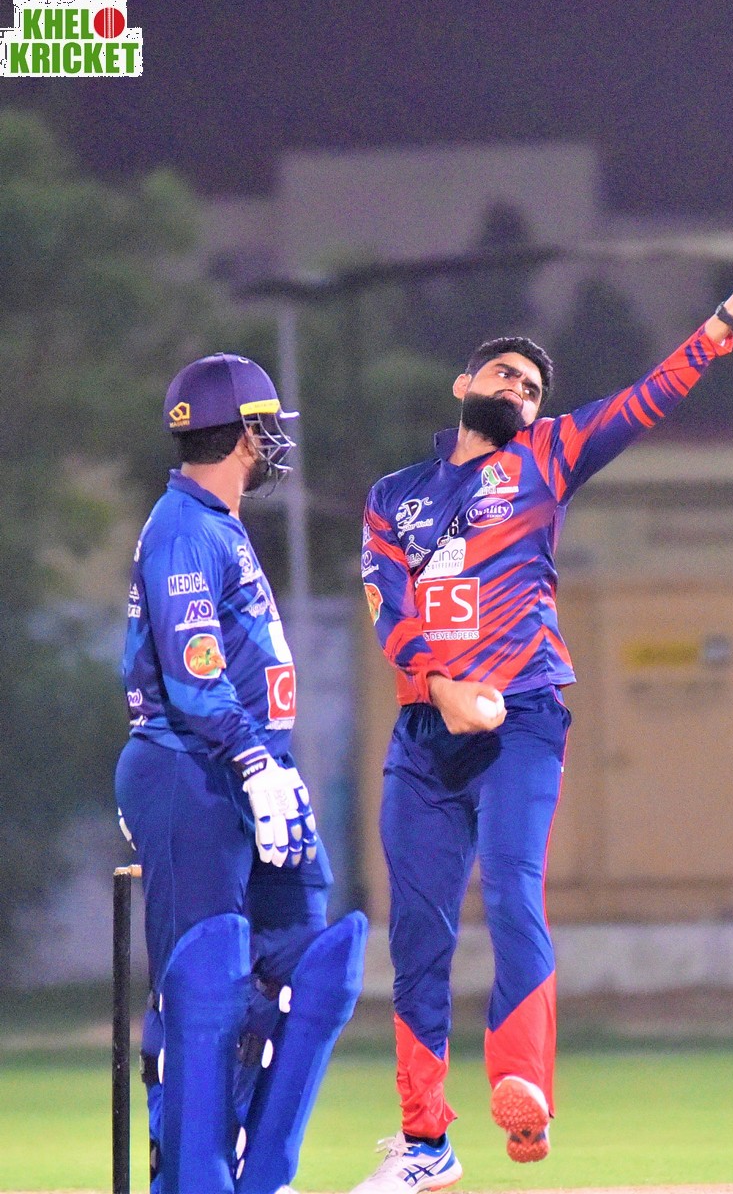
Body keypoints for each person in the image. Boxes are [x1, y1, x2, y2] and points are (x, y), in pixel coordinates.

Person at [353, 274, 733, 1193]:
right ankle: (425, 1145)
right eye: (504, 375)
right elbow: (388, 605)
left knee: (513, 890)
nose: (518, 391)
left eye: (533, 388)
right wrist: (445, 691)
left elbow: (646, 399)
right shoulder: (393, 495)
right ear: (463, 385)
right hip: (426, 731)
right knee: (416, 936)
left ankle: (524, 1086)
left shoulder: (548, 455)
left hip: (524, 716)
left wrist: (724, 320)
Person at [115, 353, 368, 1194]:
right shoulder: (184, 529)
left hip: (246, 765)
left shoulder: (217, 523)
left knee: (312, 961)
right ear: (246, 434)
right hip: (194, 767)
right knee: (205, 981)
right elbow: (195, 675)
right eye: (268, 428)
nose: (275, 444)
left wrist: (269, 767)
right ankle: (193, 1179)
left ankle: (263, 1174)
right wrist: (255, 763)